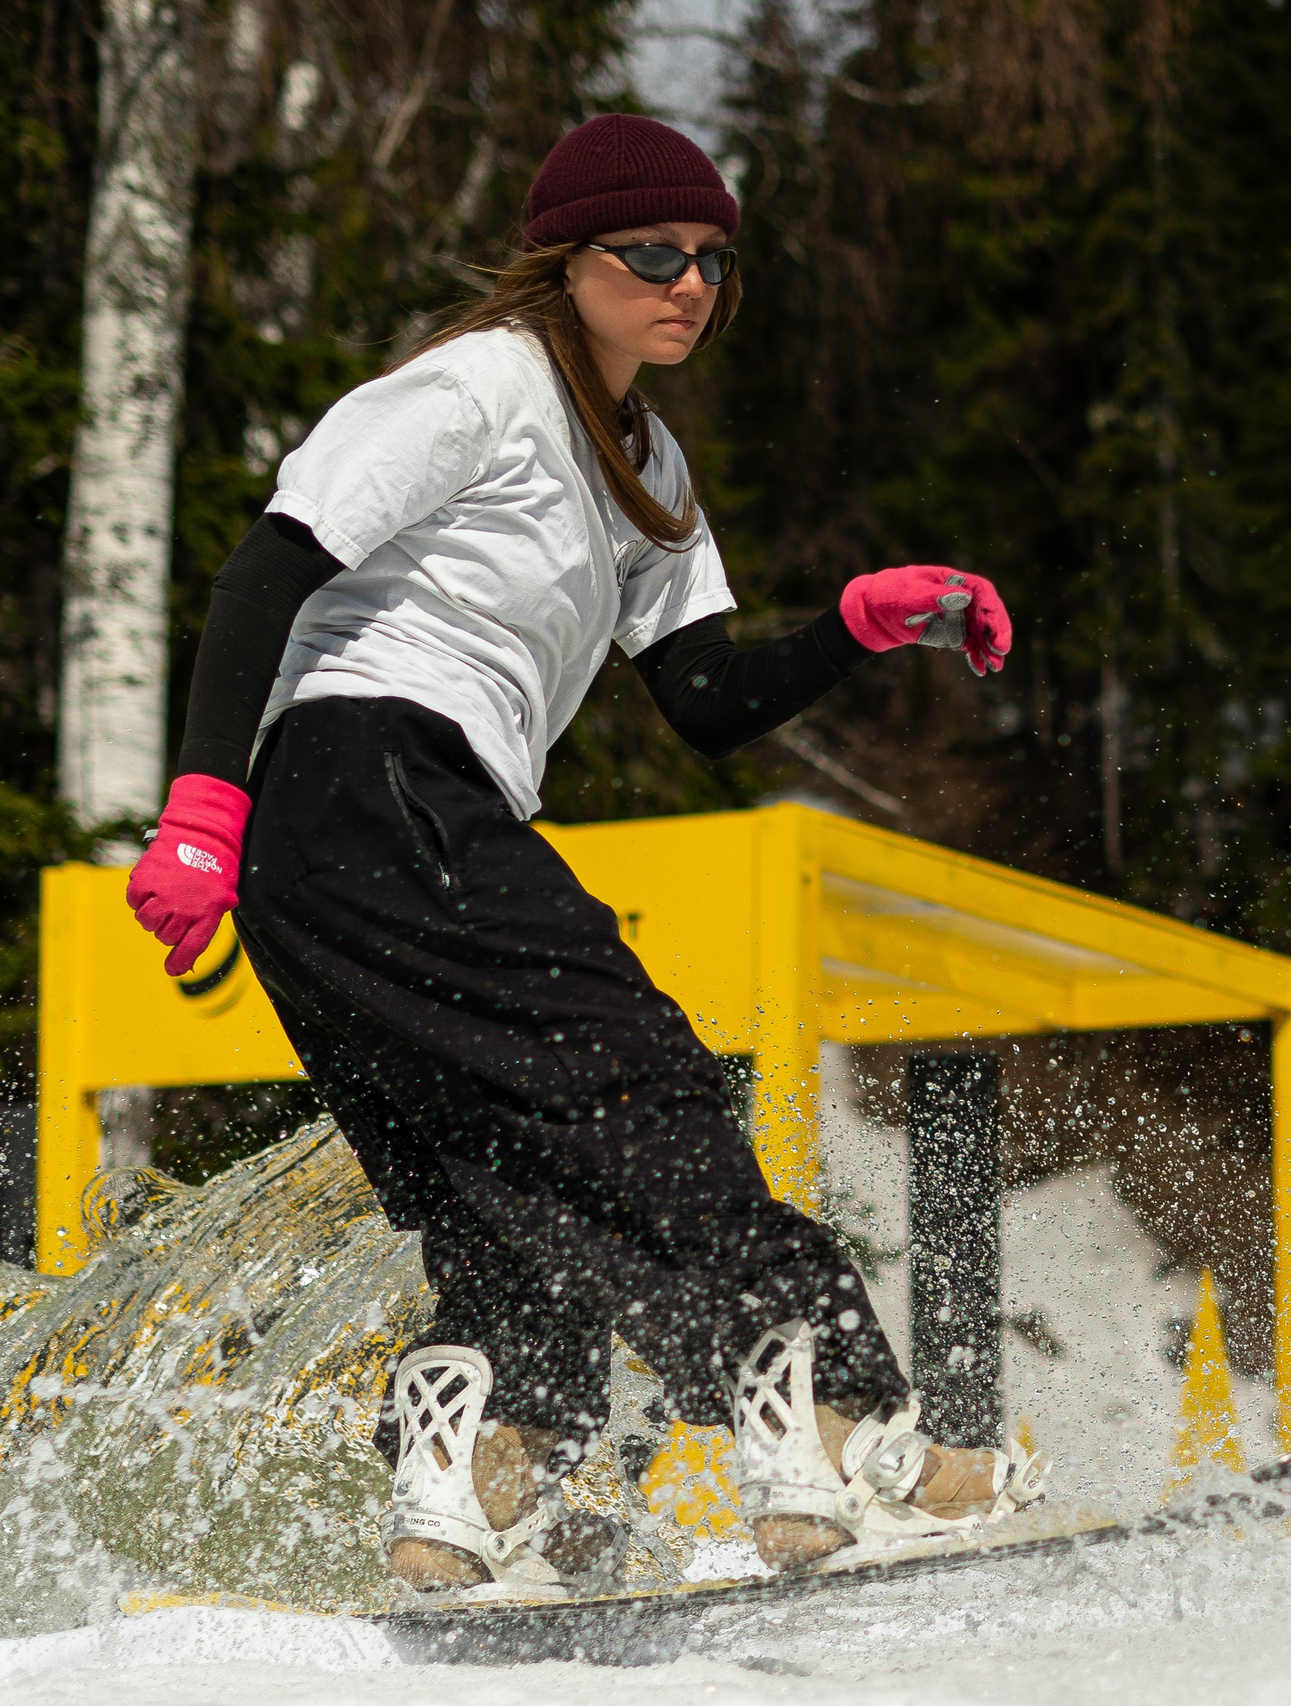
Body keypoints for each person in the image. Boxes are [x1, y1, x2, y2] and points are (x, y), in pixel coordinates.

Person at [125, 113, 1043, 1592]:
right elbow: (269, 565)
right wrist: (200, 806)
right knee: (645, 1085)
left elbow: (709, 702)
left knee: (500, 1185)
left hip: (372, 831)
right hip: (372, 779)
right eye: (655, 254)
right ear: (569, 260)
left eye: (715, 263)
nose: (690, 284)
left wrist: (858, 624)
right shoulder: (480, 383)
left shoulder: (650, 468)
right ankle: (853, 1436)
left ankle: (461, 1489)